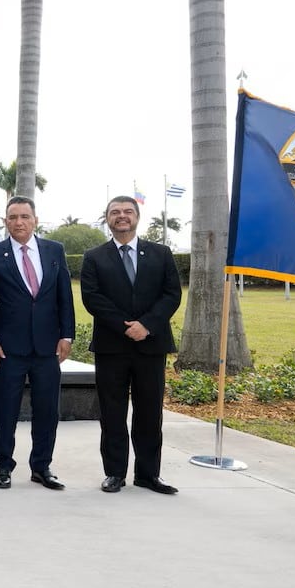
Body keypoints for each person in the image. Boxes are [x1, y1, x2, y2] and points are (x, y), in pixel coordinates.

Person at [80, 196, 183, 495]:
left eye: (127, 212)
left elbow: (171, 294)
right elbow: (92, 297)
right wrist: (127, 327)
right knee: (112, 413)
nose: (121, 216)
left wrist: (147, 325)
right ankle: (114, 473)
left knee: (150, 413)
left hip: (151, 345)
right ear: (107, 218)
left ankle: (149, 475)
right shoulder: (94, 256)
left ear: (137, 217)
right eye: (115, 212)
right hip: (112, 346)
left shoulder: (161, 253)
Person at [0, 196, 75, 491]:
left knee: (47, 411)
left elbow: (64, 297)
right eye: (13, 217)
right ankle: (3, 467)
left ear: (35, 220)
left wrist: (67, 335)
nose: (19, 222)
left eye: (24, 216)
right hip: (9, 348)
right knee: (6, 410)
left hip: (47, 348)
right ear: (5, 222)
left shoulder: (54, 250)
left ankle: (41, 466)